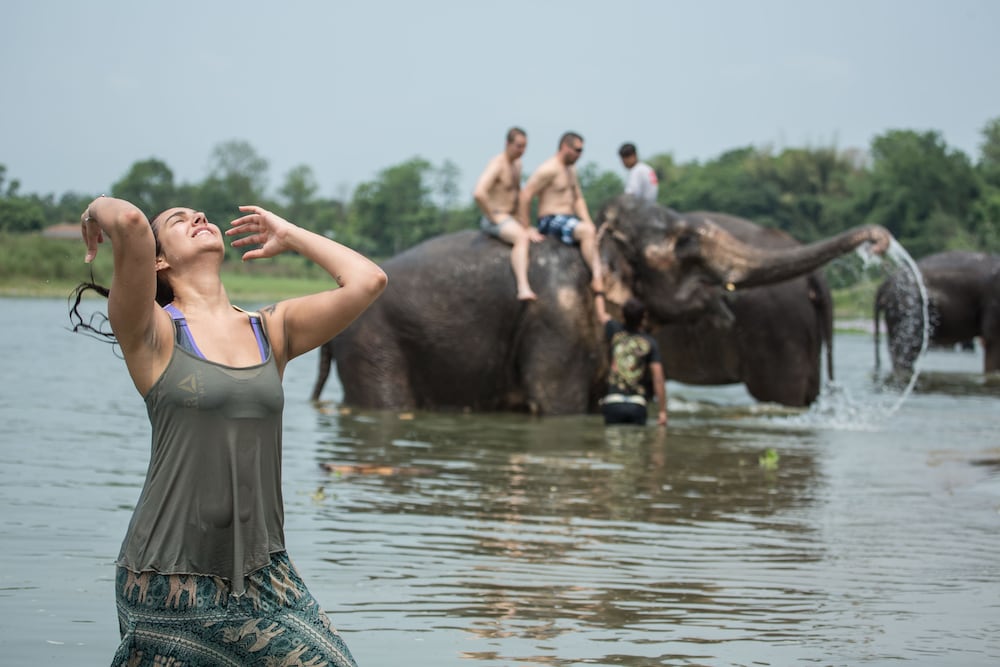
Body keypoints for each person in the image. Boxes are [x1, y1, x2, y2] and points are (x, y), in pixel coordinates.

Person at [71, 195, 387, 666]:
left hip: (266, 574)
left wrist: (291, 234)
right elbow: (132, 222)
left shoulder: (271, 329)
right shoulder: (152, 332)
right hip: (170, 578)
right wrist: (94, 211)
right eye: (179, 221)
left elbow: (368, 280)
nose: (200, 217)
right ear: (158, 260)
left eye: (201, 214)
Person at [517, 131, 604, 294]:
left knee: (591, 231)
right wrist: (526, 227)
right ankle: (597, 278)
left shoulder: (571, 170)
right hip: (550, 219)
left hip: (570, 219)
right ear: (565, 146)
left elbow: (578, 199)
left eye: (581, 151)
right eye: (577, 150)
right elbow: (525, 195)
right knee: (586, 232)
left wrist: (588, 222)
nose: (580, 154)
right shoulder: (548, 169)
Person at [473, 127, 543, 301]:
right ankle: (523, 286)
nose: (522, 151)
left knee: (529, 234)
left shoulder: (517, 165)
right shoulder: (497, 164)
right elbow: (479, 192)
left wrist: (526, 225)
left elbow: (518, 195)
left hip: (510, 218)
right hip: (496, 217)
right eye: (519, 146)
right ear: (507, 144)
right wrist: (493, 216)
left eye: (525, 146)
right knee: (521, 238)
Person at [595, 295, 668, 426]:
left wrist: (599, 291)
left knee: (613, 444)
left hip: (613, 403)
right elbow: (658, 379)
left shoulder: (615, 332)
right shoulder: (650, 343)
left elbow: (601, 314)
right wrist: (662, 411)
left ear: (622, 316)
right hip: (637, 405)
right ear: (643, 318)